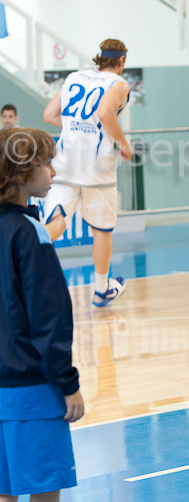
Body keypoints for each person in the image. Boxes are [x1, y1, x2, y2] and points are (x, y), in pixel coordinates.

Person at [0, 128, 84, 502]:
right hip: (31, 387)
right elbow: (49, 316)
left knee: (3, 490)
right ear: (19, 172)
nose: (53, 171)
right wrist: (67, 383)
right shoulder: (31, 233)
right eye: (46, 162)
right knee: (44, 493)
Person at [43, 39, 132, 307]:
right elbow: (105, 113)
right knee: (101, 230)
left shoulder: (73, 77)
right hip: (97, 165)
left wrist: (75, 126)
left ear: (99, 58)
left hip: (64, 162)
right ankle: (102, 289)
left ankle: (14, 259)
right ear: (122, 61)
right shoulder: (119, 84)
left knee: (56, 222)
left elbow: (49, 114)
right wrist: (124, 144)